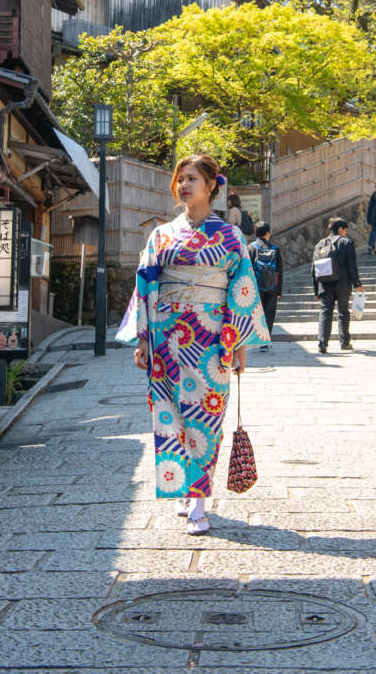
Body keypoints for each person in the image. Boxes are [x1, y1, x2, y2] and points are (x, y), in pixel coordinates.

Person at [116, 154, 270, 535]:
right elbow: (145, 285)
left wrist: (240, 345)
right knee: (168, 414)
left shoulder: (231, 237)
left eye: (192, 179)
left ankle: (199, 502)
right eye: (180, 179)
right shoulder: (161, 235)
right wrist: (143, 340)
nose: (184, 185)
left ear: (211, 186)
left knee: (205, 417)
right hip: (167, 333)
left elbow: (242, 290)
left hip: (212, 335)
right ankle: (183, 487)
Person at [312, 217, 363, 354]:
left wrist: (316, 289)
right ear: (340, 229)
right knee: (343, 312)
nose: (345, 233)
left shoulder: (320, 244)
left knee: (325, 312)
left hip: (324, 284)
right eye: (345, 230)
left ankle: (322, 344)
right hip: (343, 283)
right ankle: (344, 342)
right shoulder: (346, 242)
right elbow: (352, 265)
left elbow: (314, 268)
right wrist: (357, 283)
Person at [247, 221, 283, 352]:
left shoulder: (251, 248)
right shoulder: (275, 249)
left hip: (256, 287)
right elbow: (279, 271)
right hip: (272, 287)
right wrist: (279, 290)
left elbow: (247, 269)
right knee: (269, 314)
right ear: (268, 233)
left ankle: (257, 339)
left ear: (256, 233)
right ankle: (265, 341)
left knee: (257, 314)